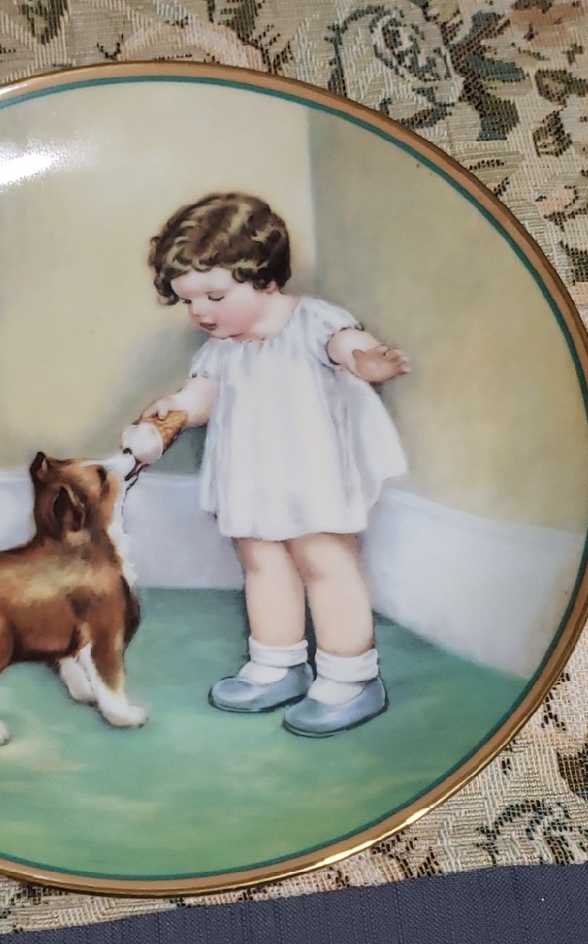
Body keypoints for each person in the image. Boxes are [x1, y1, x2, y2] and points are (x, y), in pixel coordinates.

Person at [134, 193, 409, 737]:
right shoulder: (222, 349)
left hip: (314, 477)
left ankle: (350, 677)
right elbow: (201, 397)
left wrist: (367, 360)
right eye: (190, 301)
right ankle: (278, 663)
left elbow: (344, 345)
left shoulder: (311, 321)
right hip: (251, 478)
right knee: (262, 564)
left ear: (262, 277)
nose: (202, 312)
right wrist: (173, 411)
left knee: (324, 563)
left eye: (215, 294)